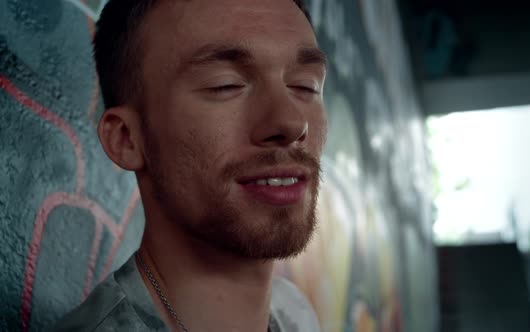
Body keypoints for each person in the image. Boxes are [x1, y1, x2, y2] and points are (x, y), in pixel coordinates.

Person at [53, 0, 328, 331]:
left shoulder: (296, 314)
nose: (291, 121)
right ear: (127, 138)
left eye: (305, 86)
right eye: (225, 85)